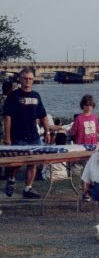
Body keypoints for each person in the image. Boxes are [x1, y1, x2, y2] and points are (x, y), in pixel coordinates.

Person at [3, 68, 50, 199]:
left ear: (33, 80)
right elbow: (7, 117)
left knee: (33, 163)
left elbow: (43, 116)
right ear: (20, 79)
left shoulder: (36, 96)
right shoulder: (13, 96)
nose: (28, 81)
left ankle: (28, 189)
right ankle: (11, 180)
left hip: (33, 136)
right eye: (25, 78)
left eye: (30, 78)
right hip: (17, 136)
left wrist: (47, 132)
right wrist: (7, 137)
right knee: (16, 162)